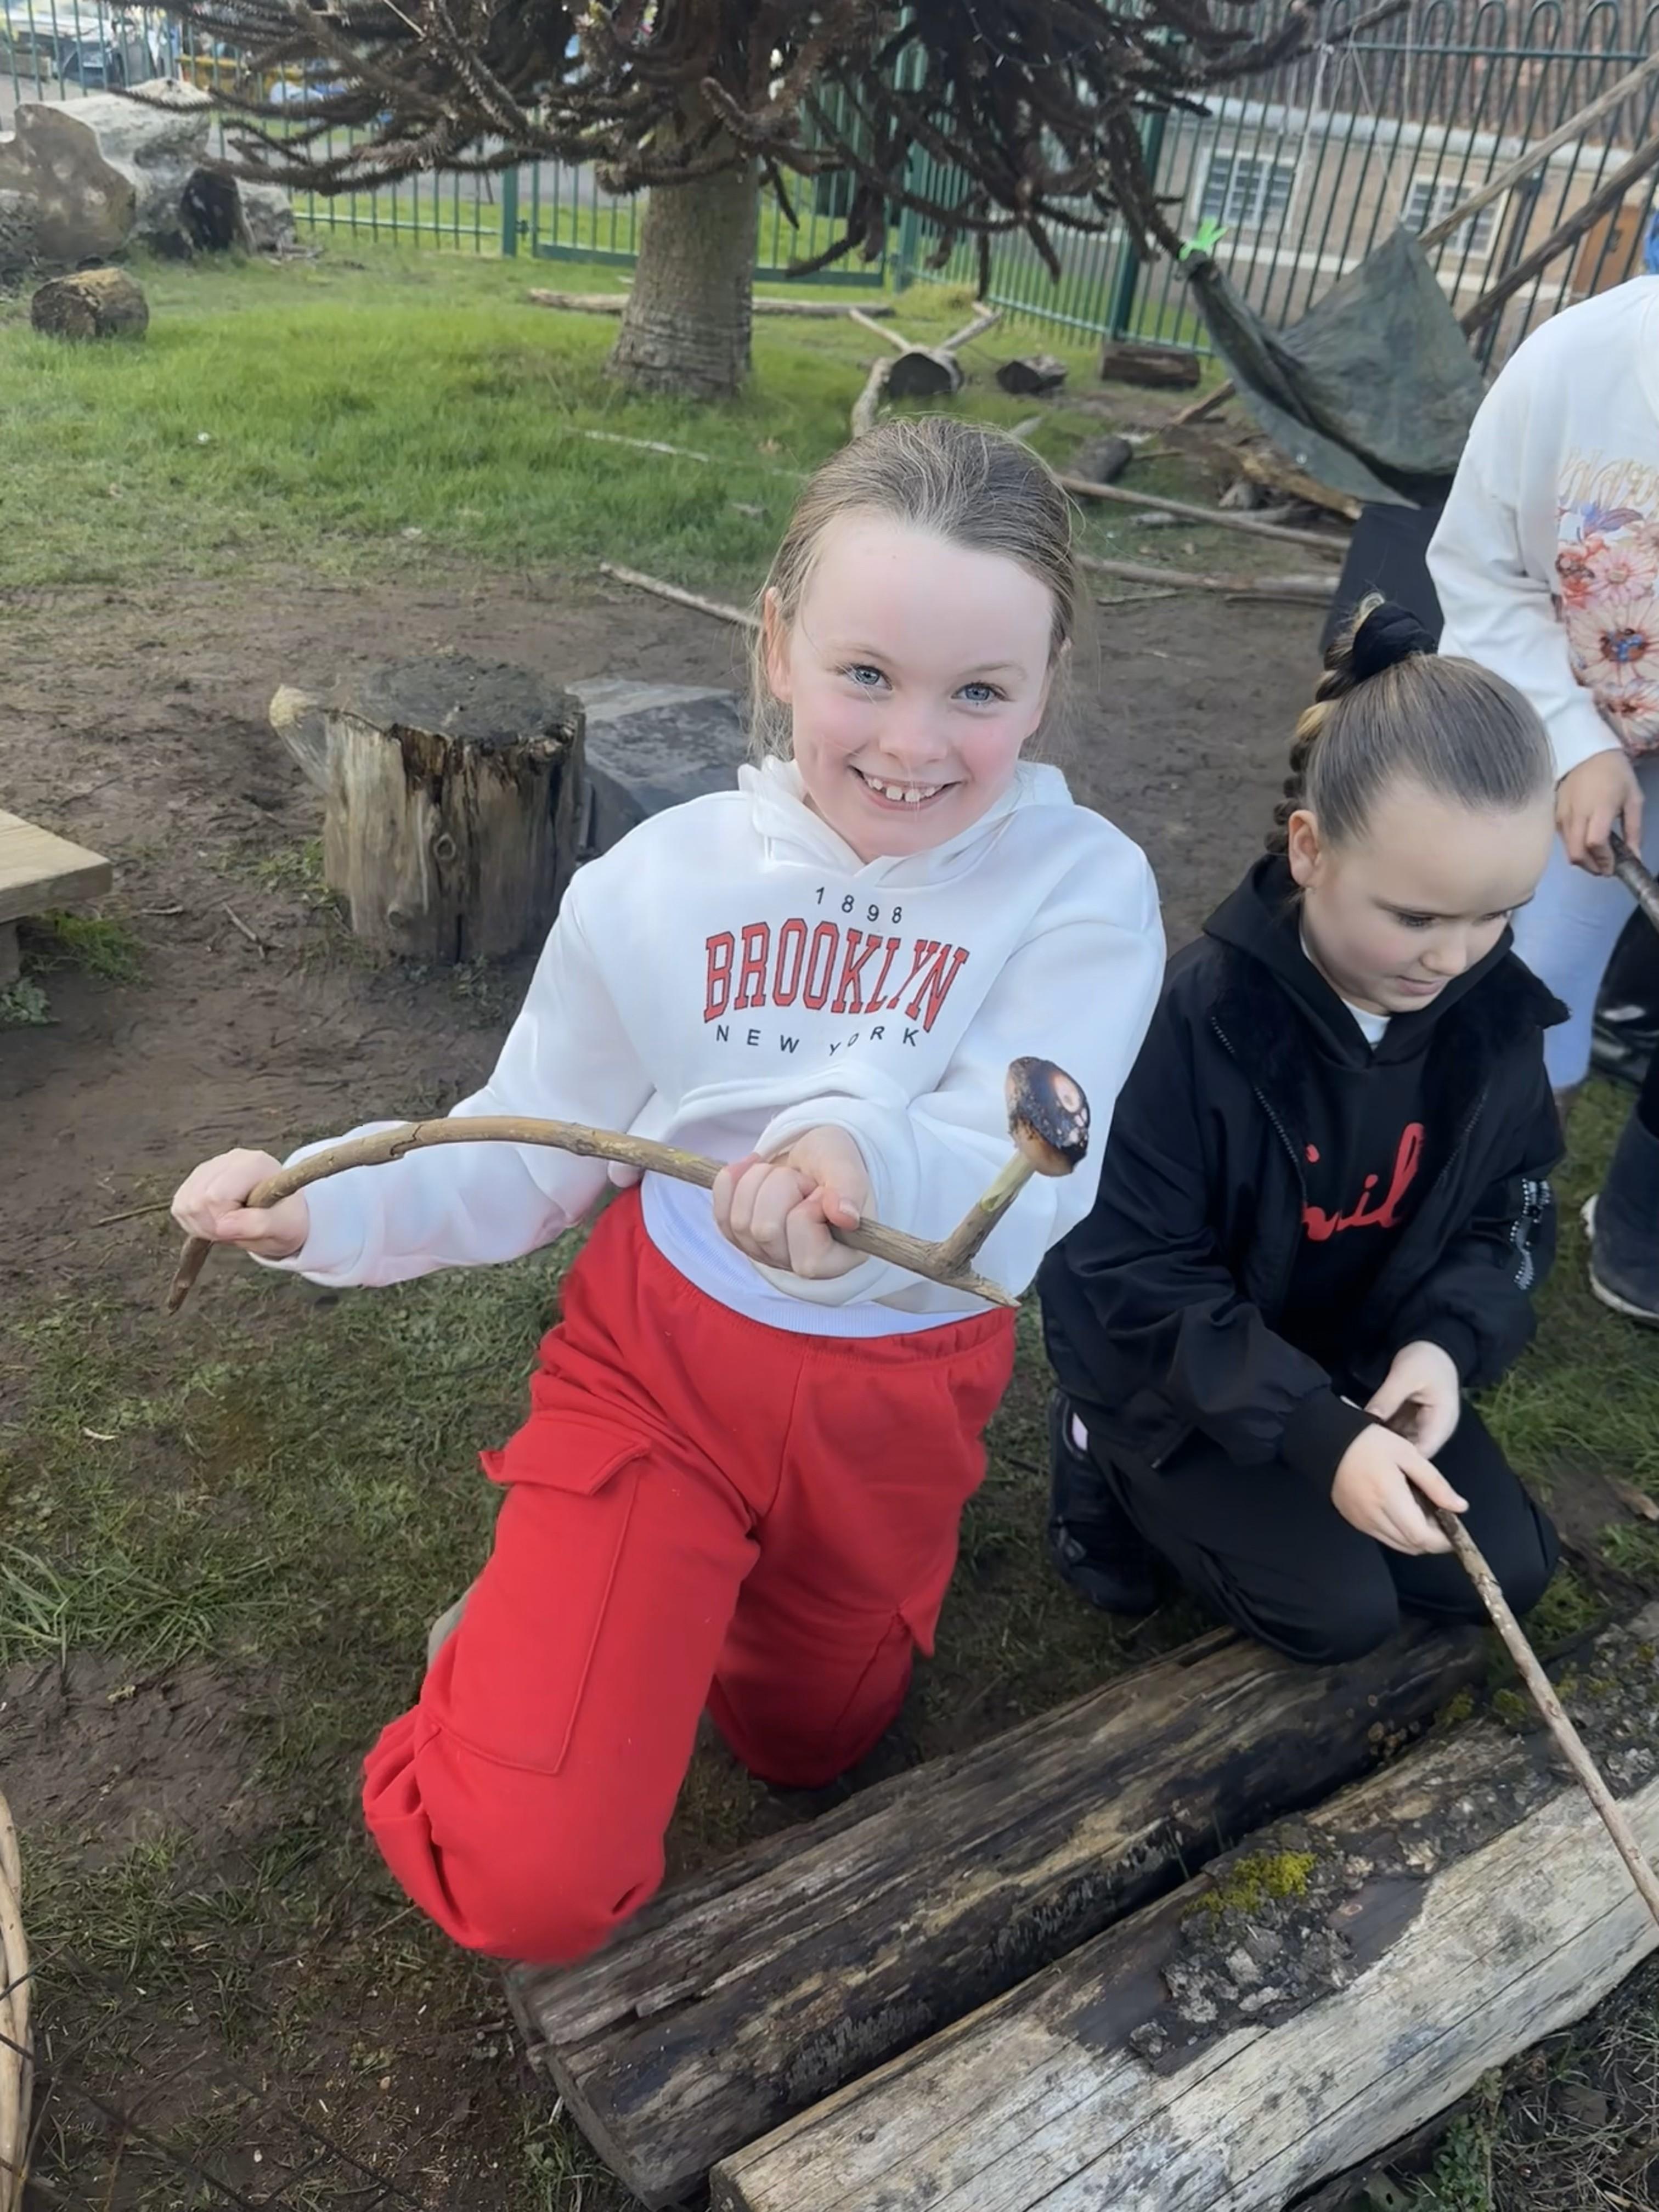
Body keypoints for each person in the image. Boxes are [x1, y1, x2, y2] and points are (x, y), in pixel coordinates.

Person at [169, 419, 1165, 1964]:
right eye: (866, 674)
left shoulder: (1084, 890)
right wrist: (319, 1202)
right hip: (662, 1374)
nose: (913, 744)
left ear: (1044, 689)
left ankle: (628, 1627)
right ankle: (531, 1648)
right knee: (528, 1872)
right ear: (776, 648)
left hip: (894, 1400)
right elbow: (530, 1138)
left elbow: (1025, 1161)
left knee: (812, 1742)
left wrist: (860, 1166)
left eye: (978, 692)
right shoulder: (657, 882)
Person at [1037, 601, 1561, 1662]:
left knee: (1504, 1574)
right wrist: (1316, 1433)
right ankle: (1094, 1448)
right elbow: (1131, 1273)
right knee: (1338, 1614)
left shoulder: (1490, 1013)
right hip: (1185, 1383)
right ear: (1311, 849)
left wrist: (1445, 1345)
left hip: (1363, 1355)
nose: (1456, 957)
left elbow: (1514, 1204)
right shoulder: (1194, 1024)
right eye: (1416, 917)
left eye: (1499, 912)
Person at [1428, 278, 1659, 1319]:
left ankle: (1641, 1224)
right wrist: (1576, 745)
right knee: (1539, 983)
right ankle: (1477, 1223)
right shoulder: (1575, 364)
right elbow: (1481, 575)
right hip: (1569, 722)